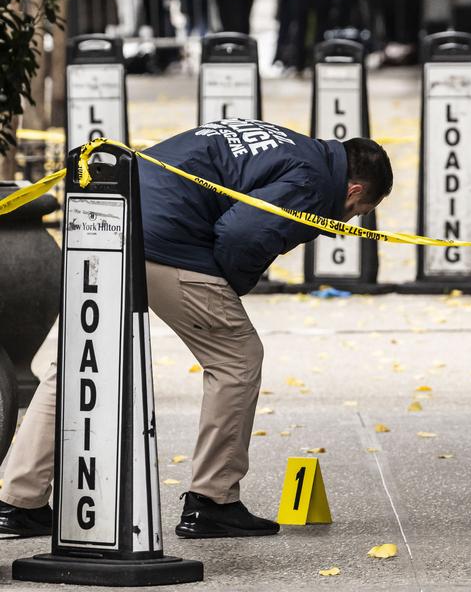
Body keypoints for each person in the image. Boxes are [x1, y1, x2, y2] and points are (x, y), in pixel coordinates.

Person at [0, 118, 393, 539]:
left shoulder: (284, 143)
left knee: (76, 361)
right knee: (238, 359)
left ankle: (17, 502)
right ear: (354, 190)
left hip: (107, 226)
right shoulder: (314, 181)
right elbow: (243, 233)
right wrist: (230, 285)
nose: (347, 220)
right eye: (356, 212)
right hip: (166, 244)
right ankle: (213, 501)